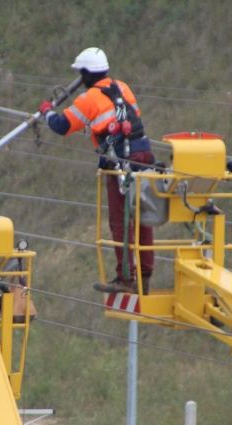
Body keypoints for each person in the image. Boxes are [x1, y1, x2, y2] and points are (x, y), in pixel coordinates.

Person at [39, 47, 155, 295]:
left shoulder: (88, 99)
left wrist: (47, 111)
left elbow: (62, 125)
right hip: (144, 153)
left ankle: (126, 278)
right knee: (143, 215)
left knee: (120, 220)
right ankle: (144, 276)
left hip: (121, 161)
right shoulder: (122, 87)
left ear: (86, 74)